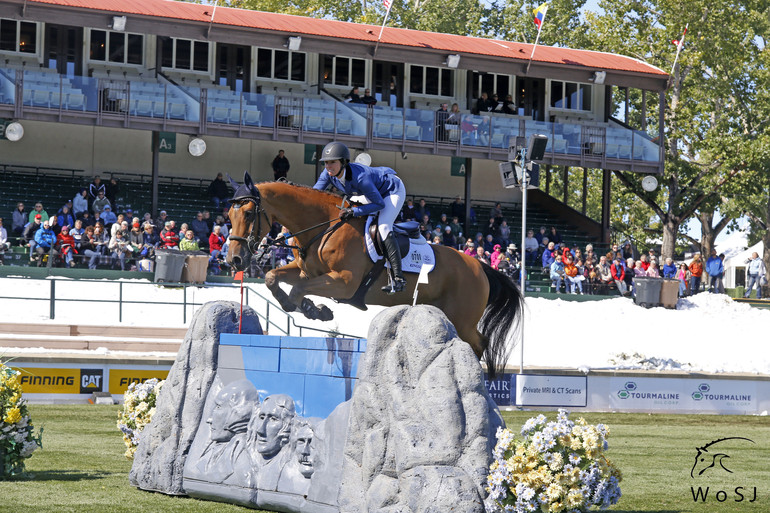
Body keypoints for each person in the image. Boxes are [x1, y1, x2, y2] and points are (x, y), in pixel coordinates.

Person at [313, 141, 407, 293]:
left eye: (332, 162)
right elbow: (314, 195)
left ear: (343, 162)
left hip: (391, 190)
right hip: (369, 193)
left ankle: (398, 279)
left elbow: (379, 204)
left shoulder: (360, 177)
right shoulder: (328, 174)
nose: (328, 166)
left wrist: (354, 212)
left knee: (383, 226)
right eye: (326, 163)